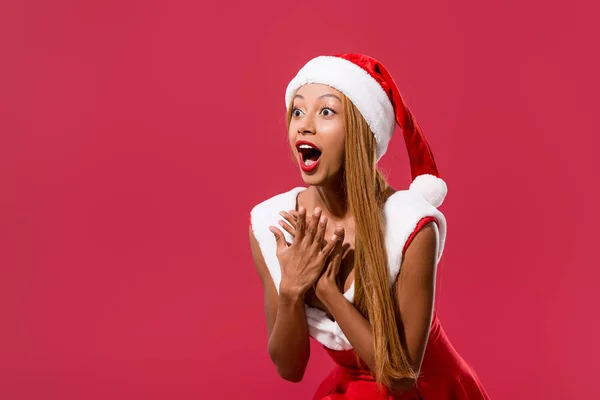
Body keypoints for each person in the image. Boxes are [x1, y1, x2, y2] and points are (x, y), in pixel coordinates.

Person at [248, 53, 490, 399]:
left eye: (326, 111)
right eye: (298, 111)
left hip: (427, 391)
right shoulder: (272, 224)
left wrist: (329, 293)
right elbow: (290, 369)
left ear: (363, 132)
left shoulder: (411, 227)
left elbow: (401, 377)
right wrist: (291, 291)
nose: (304, 125)